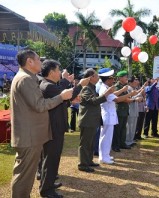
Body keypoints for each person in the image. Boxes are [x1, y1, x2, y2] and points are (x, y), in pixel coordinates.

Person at [10, 49, 73, 198]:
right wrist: (61, 97)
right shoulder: (25, 79)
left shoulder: (28, 77)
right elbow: (39, 105)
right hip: (29, 136)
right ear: (29, 62)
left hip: (30, 135)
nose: (41, 62)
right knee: (23, 177)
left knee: (25, 175)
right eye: (38, 59)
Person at [39, 60, 90, 197]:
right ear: (51, 72)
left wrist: (68, 98)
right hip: (52, 128)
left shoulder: (50, 85)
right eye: (58, 70)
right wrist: (80, 85)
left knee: (51, 158)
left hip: (56, 127)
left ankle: (47, 183)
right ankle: (47, 190)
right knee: (51, 159)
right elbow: (69, 94)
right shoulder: (47, 86)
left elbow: (63, 100)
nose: (60, 73)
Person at [78, 68, 114, 173]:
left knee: (90, 142)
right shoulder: (86, 88)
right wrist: (106, 94)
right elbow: (93, 101)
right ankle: (83, 164)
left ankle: (88, 161)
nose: (98, 77)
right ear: (91, 77)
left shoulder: (92, 88)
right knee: (85, 143)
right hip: (87, 120)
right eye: (96, 75)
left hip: (92, 120)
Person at [97, 68, 135, 164]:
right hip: (107, 115)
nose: (113, 80)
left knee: (107, 137)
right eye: (111, 78)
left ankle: (105, 155)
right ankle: (103, 157)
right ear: (108, 79)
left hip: (110, 115)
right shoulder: (104, 88)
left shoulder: (106, 87)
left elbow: (114, 94)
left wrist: (123, 90)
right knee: (106, 137)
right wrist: (130, 94)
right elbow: (117, 100)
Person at [112, 70, 132, 152]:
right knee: (118, 128)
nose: (126, 78)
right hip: (119, 110)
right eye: (125, 76)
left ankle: (122, 143)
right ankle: (115, 145)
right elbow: (119, 99)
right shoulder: (117, 87)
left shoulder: (124, 86)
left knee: (123, 128)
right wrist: (129, 99)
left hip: (124, 110)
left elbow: (126, 98)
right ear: (120, 78)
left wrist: (129, 98)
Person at [125, 76, 144, 147]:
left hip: (135, 110)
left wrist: (140, 97)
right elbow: (129, 98)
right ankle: (127, 141)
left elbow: (136, 96)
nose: (136, 82)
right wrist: (137, 98)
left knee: (133, 126)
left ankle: (131, 140)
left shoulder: (134, 88)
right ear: (130, 82)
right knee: (129, 126)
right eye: (134, 81)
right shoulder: (128, 88)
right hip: (131, 110)